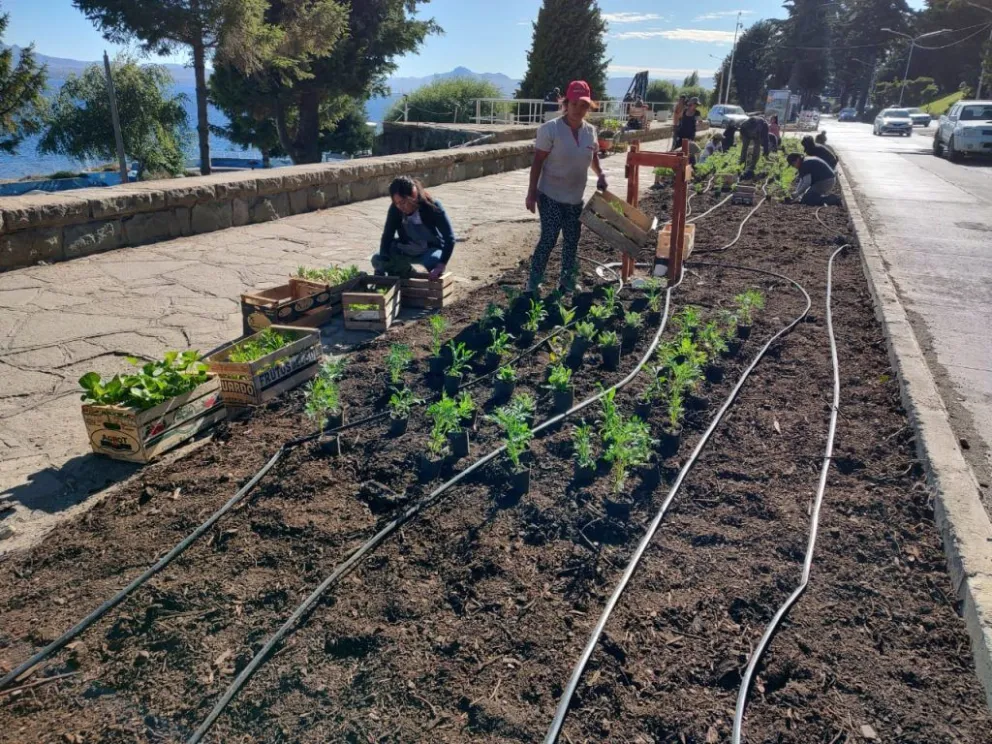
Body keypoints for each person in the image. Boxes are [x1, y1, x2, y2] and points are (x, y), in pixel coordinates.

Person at [525, 79, 607, 294]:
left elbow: (592, 156)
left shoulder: (590, 131)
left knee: (572, 240)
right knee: (549, 237)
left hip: (574, 198)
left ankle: (567, 281)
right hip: (550, 194)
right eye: (574, 104)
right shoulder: (550, 130)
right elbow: (538, 162)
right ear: (566, 104)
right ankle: (533, 283)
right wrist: (531, 193)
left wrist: (601, 174)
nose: (578, 110)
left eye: (584, 106)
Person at [372, 177, 456, 278]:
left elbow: (450, 238)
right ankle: (405, 272)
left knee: (434, 262)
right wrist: (382, 264)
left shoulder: (432, 206)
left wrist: (442, 264)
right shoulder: (395, 209)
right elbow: (387, 235)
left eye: (403, 202)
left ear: (413, 195)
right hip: (407, 249)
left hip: (429, 251)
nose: (400, 207)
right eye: (396, 203)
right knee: (377, 259)